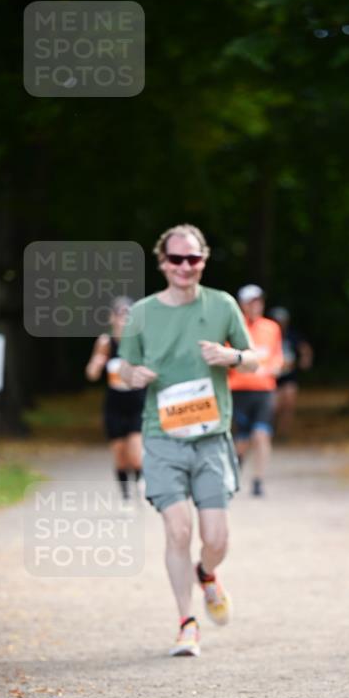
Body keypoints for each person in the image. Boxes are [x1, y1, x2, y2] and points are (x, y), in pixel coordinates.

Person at [118, 224, 259, 658]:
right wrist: (134, 374)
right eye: (176, 259)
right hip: (162, 437)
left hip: (212, 437)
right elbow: (123, 368)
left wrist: (231, 356)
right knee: (178, 529)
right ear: (163, 263)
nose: (184, 266)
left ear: (203, 260)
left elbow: (254, 360)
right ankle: (187, 622)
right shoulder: (142, 312)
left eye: (192, 258)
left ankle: (207, 572)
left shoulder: (222, 304)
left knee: (215, 538)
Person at [85, 296, 145, 501]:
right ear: (112, 318)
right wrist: (97, 363)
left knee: (136, 454)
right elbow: (92, 374)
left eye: (128, 315)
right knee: (120, 456)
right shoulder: (105, 342)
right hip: (114, 405)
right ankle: (126, 496)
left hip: (137, 403)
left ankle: (139, 482)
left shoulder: (140, 342)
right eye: (120, 315)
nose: (123, 320)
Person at [230, 285, 283, 496]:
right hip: (239, 390)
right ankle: (237, 464)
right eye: (251, 302)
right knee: (242, 440)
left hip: (264, 390)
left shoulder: (271, 328)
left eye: (259, 301)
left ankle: (258, 481)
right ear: (242, 305)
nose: (256, 306)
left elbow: (277, 355)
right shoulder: (234, 328)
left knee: (261, 435)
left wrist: (277, 366)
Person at [269, 306, 314, 440]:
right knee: (273, 407)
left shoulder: (292, 335)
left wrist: (305, 360)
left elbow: (305, 349)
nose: (280, 324)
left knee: (289, 404)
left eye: (282, 321)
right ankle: (270, 431)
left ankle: (283, 433)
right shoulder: (267, 334)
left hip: (289, 376)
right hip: (272, 377)